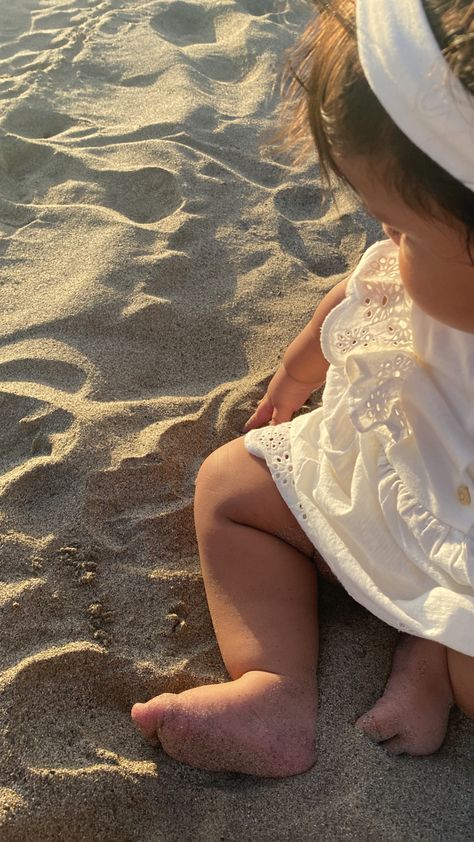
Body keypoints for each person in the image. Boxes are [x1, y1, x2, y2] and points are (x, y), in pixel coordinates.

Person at [131, 0, 474, 777]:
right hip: (386, 479)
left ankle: (432, 660)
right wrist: (294, 375)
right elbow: (347, 302)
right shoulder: (418, 269)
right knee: (228, 485)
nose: (382, 242)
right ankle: (274, 689)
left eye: (400, 229)